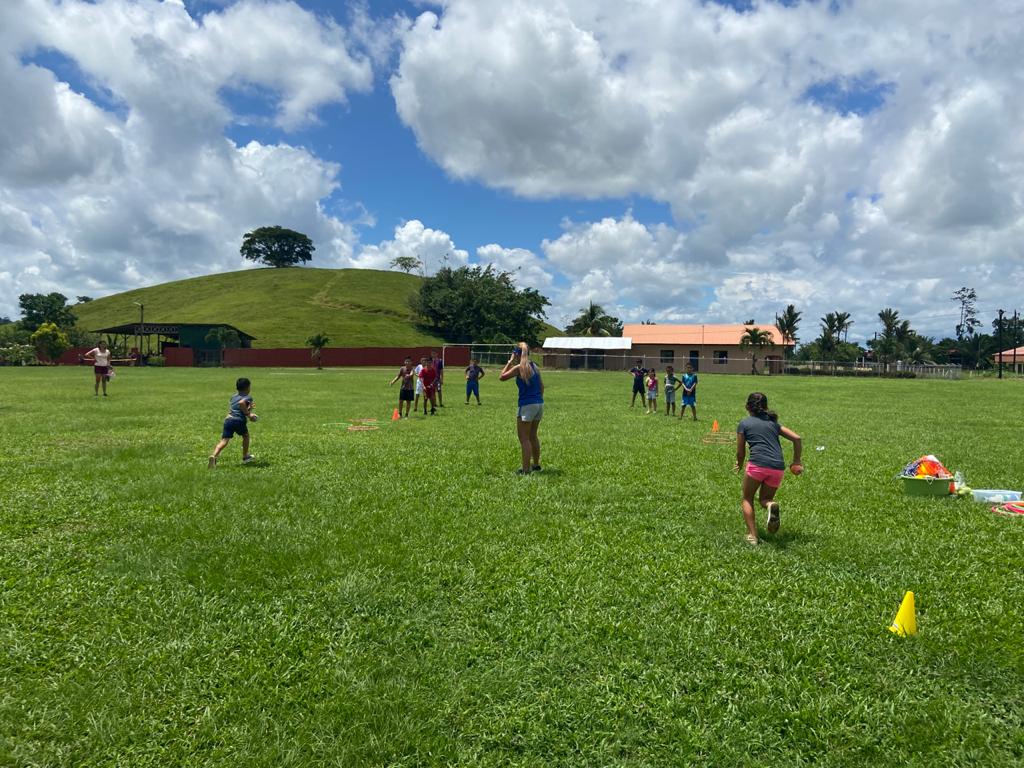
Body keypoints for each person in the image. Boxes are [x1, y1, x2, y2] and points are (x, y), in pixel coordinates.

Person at [734, 392, 802, 545]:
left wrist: (739, 463)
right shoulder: (773, 423)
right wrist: (796, 461)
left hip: (757, 465)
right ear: (765, 407)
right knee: (765, 499)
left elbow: (740, 451)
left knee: (747, 498)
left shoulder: (744, 424)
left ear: (747, 406)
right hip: (777, 468)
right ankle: (770, 505)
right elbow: (797, 438)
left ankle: (752, 536)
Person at [500, 342, 543, 475]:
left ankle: (525, 470)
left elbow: (502, 377)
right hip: (539, 404)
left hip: (526, 405)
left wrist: (509, 362)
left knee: (524, 438)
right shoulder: (534, 366)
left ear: (517, 354)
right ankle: (535, 464)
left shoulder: (519, 368)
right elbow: (541, 387)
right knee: (533, 436)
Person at [208, 377, 258, 468]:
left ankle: (214, 456)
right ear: (247, 388)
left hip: (228, 419)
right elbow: (241, 404)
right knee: (246, 436)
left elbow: (236, 407)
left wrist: (249, 409)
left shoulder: (233, 396)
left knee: (224, 440)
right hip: (238, 420)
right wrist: (249, 415)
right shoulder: (248, 397)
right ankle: (245, 456)